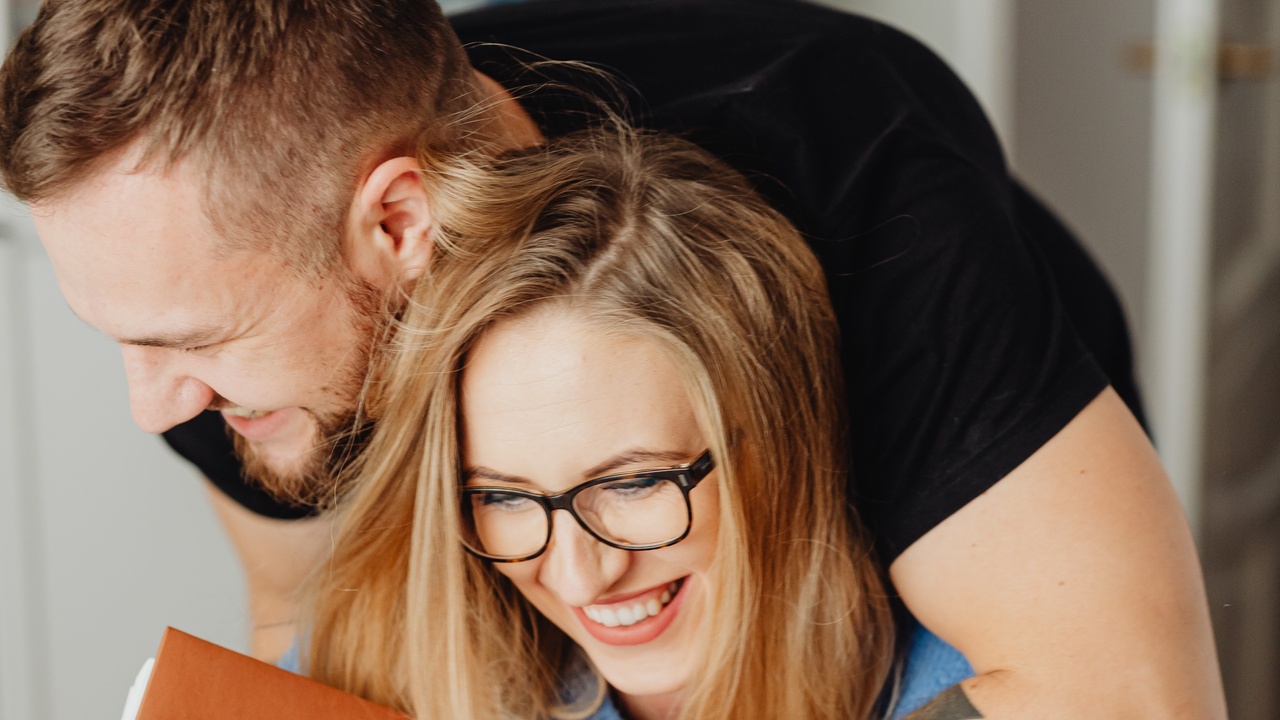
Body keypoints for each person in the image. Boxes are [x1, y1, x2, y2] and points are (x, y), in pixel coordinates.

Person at [0, 0, 1225, 717]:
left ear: (395, 224)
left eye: (192, 342)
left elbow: (1122, 689)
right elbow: (308, 631)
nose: (154, 406)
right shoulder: (244, 358)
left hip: (954, 439)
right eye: (123, 338)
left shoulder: (865, 194)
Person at [304, 127, 908, 720]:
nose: (577, 577)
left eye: (635, 483)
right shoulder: (373, 670)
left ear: (781, 438)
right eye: (500, 496)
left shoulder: (980, 677)